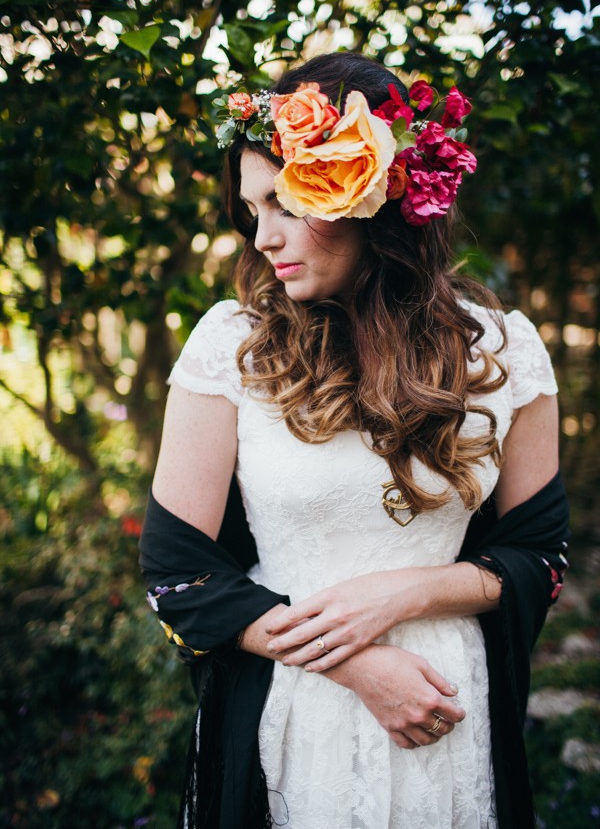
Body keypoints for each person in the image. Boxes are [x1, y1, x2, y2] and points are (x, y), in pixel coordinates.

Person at [139, 53, 569, 829]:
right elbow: (178, 573)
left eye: (286, 203)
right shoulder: (231, 345)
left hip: (446, 706)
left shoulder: (505, 353)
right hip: (290, 705)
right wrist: (360, 663)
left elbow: (540, 556)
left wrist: (406, 591)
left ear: (373, 197)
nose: (264, 238)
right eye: (252, 210)